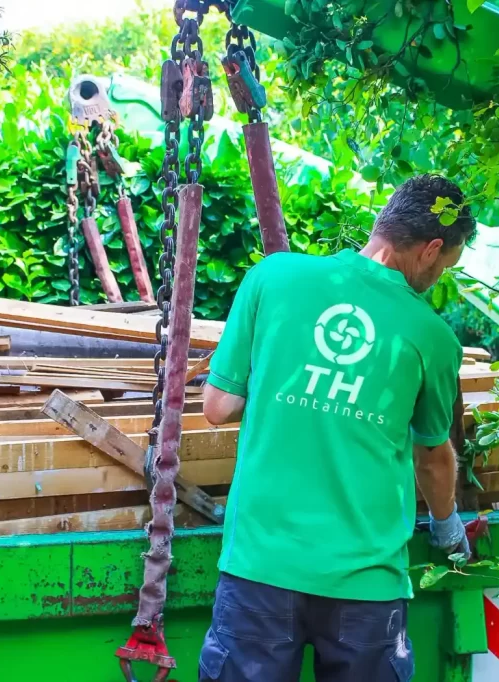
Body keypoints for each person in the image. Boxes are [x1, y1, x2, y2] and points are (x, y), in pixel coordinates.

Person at [198, 174, 476, 682]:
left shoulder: (273, 277)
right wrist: (446, 525)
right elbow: (432, 457)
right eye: (445, 266)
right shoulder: (432, 337)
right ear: (431, 249)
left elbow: (217, 406)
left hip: (261, 567)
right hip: (366, 586)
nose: (438, 277)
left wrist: (285, 379)